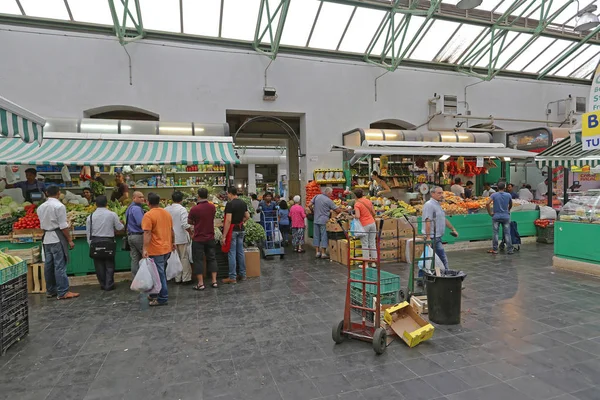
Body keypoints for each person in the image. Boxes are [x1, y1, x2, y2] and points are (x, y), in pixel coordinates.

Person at [36, 185, 79, 300]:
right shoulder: (59, 206)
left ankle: (50, 290)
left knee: (48, 265)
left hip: (46, 238)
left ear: (46, 193)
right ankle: (63, 291)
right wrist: (69, 240)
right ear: (59, 193)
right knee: (60, 265)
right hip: (56, 237)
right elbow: (63, 226)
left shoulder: (40, 207)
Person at [142, 192, 175, 306]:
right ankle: (154, 294)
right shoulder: (166, 213)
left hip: (156, 249)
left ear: (148, 202)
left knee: (159, 274)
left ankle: (162, 298)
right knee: (159, 273)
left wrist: (145, 248)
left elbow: (147, 233)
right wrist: (173, 242)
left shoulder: (148, 215)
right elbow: (171, 230)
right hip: (167, 248)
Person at [86, 195, 123, 291]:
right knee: (109, 264)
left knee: (99, 266)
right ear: (106, 204)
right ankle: (109, 285)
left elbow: (88, 233)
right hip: (108, 241)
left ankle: (103, 284)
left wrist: (90, 244)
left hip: (95, 241)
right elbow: (119, 228)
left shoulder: (90, 217)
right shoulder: (112, 214)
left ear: (95, 204)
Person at [422, 186, 458, 271]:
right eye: (439, 193)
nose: (441, 195)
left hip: (437, 236)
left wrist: (452, 229)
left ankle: (422, 277)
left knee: (429, 259)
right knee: (442, 258)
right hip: (433, 237)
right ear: (432, 194)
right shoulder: (429, 205)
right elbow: (428, 221)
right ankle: (447, 274)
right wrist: (428, 237)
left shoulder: (438, 204)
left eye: (442, 193)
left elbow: (443, 219)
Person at [188, 188, 218, 290]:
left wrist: (197, 222)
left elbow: (190, 221)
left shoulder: (194, 209)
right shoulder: (212, 207)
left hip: (198, 238)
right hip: (210, 237)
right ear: (207, 195)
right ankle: (214, 281)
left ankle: (200, 283)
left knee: (198, 260)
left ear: (198, 196)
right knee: (212, 258)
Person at [222, 187, 250, 284]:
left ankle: (232, 277)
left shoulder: (230, 204)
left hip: (232, 231)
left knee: (232, 253)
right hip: (241, 229)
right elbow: (247, 216)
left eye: (228, 194)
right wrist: (242, 222)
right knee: (240, 252)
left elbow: (228, 220)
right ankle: (243, 274)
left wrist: (224, 235)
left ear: (230, 193)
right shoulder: (243, 203)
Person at [165, 191, 193, 284]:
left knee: (174, 258)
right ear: (181, 200)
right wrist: (191, 233)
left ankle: (177, 278)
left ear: (172, 199)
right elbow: (185, 224)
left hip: (170, 238)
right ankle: (186, 278)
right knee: (184, 257)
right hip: (181, 237)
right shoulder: (182, 209)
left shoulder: (166, 209)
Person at [310, 187, 341, 259]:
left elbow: (309, 205)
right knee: (324, 236)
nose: (331, 194)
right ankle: (323, 253)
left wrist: (313, 211)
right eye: (331, 193)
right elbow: (337, 210)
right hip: (324, 220)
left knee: (316, 236)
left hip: (316, 219)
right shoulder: (329, 201)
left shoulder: (316, 196)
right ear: (328, 193)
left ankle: (317, 252)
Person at [486, 182, 514, 255]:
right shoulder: (508, 195)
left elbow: (487, 203)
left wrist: (490, 213)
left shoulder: (494, 195)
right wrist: (508, 210)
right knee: (507, 233)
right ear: (504, 188)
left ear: (497, 188)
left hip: (496, 216)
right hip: (506, 216)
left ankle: (495, 249)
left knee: (495, 233)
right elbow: (511, 204)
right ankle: (510, 249)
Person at [353, 189, 377, 267]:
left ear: (355, 196)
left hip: (364, 225)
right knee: (372, 242)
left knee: (365, 244)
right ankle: (373, 262)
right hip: (372, 223)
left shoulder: (357, 204)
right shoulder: (368, 201)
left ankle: (365, 264)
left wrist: (353, 216)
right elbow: (373, 213)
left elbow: (358, 216)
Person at [126, 191, 145, 277]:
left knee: (134, 259)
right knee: (146, 257)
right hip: (138, 236)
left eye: (143, 197)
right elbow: (141, 223)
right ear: (134, 198)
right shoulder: (136, 209)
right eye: (140, 197)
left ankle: (136, 279)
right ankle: (146, 279)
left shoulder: (129, 208)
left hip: (131, 236)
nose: (142, 199)